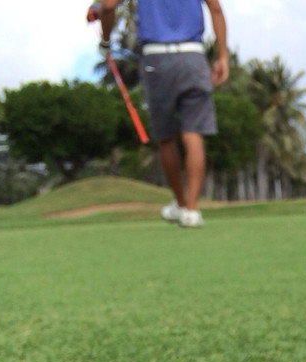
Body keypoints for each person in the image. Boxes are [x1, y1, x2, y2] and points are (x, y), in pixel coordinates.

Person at [97, 0, 229, 228]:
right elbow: (215, 9)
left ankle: (179, 203)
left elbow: (108, 6)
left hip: (156, 59)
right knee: (193, 132)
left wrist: (105, 42)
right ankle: (191, 209)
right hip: (193, 56)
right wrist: (222, 56)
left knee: (166, 137)